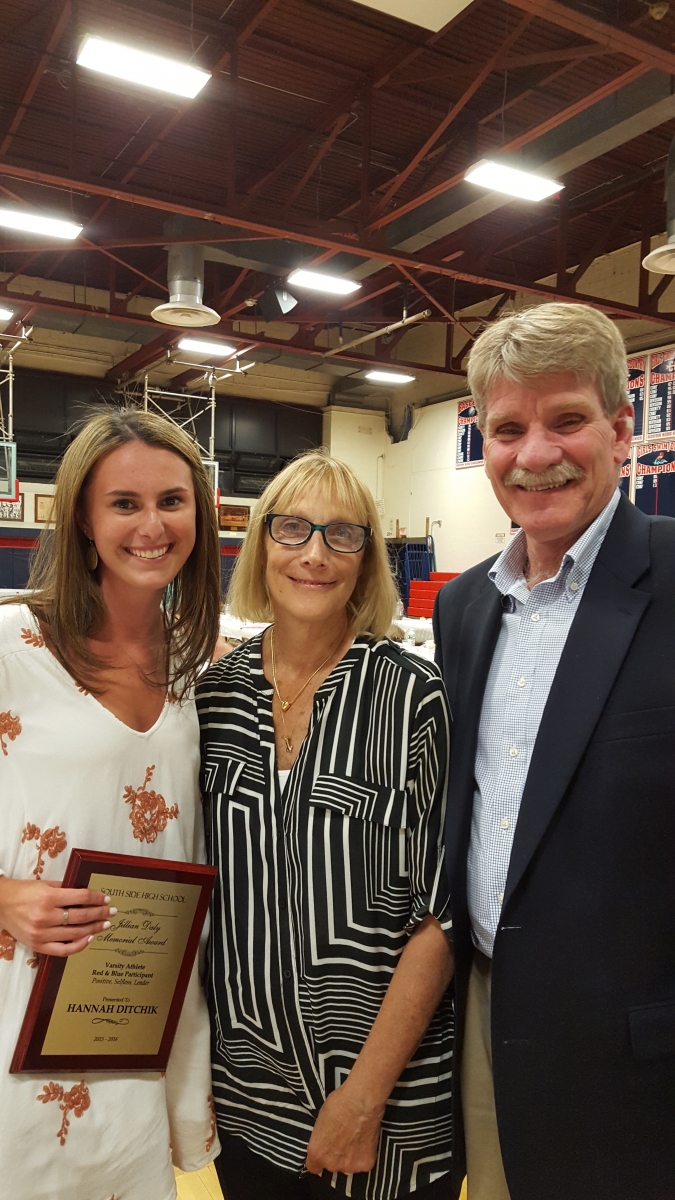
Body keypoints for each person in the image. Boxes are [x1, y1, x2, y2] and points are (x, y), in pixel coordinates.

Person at [433, 302, 675, 1200]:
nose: (535, 454)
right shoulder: (463, 607)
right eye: (507, 429)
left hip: (640, 1059)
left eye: (565, 419)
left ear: (619, 429)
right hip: (488, 1022)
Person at [196, 451, 454, 1200]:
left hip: (387, 1114)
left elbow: (440, 914)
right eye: (293, 529)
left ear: (365, 559)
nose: (314, 554)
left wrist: (363, 1099)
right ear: (260, 545)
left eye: (342, 534)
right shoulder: (215, 698)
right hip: (246, 1101)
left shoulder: (411, 695)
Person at [0, 409, 222, 1200]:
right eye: (124, 503)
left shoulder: (198, 665)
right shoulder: (12, 647)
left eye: (171, 500)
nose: (152, 526)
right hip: (24, 998)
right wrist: (4, 897)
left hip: (139, 1007)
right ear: (84, 522)